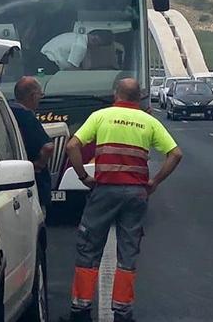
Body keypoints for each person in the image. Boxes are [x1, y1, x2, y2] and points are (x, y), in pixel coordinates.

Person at [64, 78, 183, 322]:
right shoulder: (149, 121)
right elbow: (175, 154)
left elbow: (72, 146)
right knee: (127, 252)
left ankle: (81, 311)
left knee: (88, 248)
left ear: (115, 95)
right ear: (138, 97)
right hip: (135, 193)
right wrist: (155, 181)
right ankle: (122, 312)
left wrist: (83, 176)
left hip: (104, 190)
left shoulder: (101, 116)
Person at [9, 76, 55, 210]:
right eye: (40, 95)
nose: (40, 99)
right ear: (33, 96)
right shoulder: (27, 116)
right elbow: (48, 147)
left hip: (10, 176)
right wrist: (38, 165)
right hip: (34, 181)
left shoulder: (6, 112)